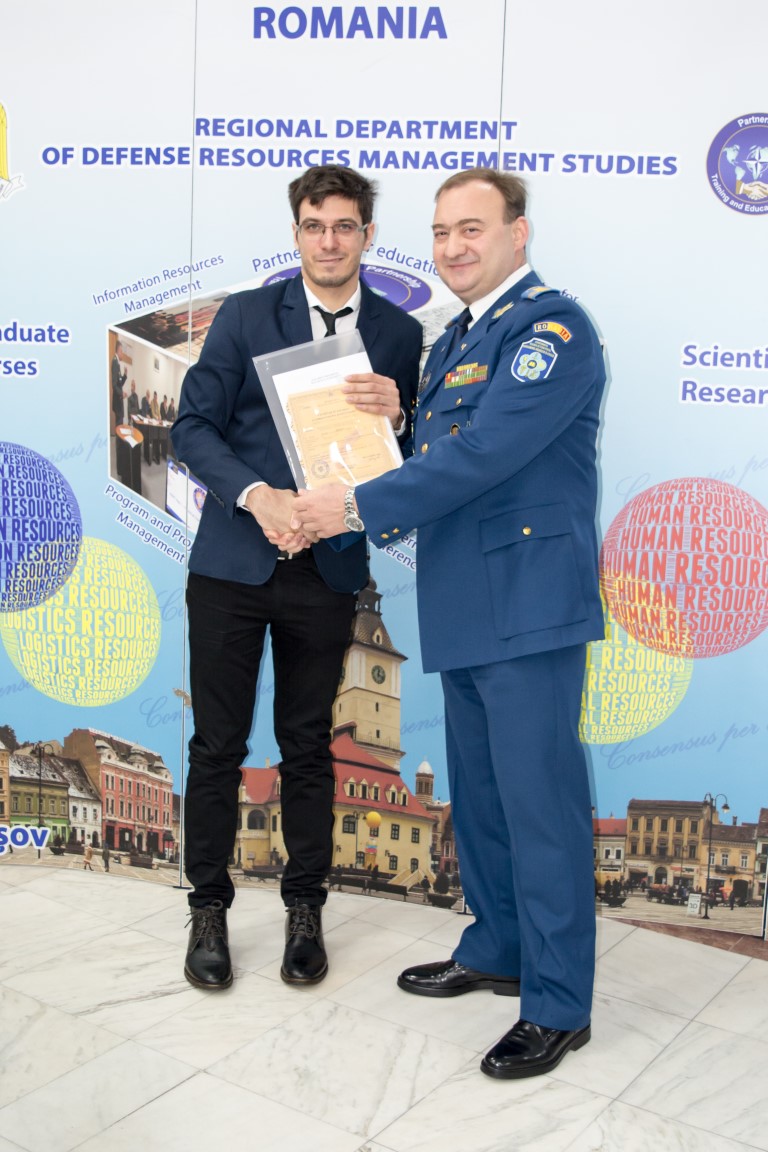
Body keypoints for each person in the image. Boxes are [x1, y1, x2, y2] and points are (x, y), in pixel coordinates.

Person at [293, 167, 606, 1079]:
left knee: (540, 808)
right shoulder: (458, 339)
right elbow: (444, 446)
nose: (454, 247)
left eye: (473, 228)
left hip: (529, 604)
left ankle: (558, 1004)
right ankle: (498, 948)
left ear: (519, 233)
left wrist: (355, 506)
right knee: (481, 800)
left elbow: (487, 450)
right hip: (465, 598)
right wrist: (399, 419)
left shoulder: (552, 330)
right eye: (440, 232)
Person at [171, 164, 422, 992]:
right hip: (233, 566)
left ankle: (305, 910)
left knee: (310, 747)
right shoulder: (246, 316)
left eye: (345, 226)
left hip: (329, 570)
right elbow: (192, 428)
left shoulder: (398, 334)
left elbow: (410, 459)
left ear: (367, 236)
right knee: (217, 747)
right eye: (315, 226)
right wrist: (259, 496)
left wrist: (403, 415)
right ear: (296, 233)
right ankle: (208, 910)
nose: (329, 241)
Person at [110, 340, 127, 430]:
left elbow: (120, 383)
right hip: (117, 403)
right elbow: (114, 385)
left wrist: (125, 375)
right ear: (119, 350)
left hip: (119, 402)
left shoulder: (117, 363)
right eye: (122, 351)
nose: (122, 353)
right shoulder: (115, 362)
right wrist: (121, 393)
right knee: (119, 428)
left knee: (120, 427)